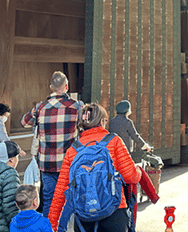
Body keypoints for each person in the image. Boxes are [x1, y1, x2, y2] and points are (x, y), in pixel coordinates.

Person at [48, 103, 142, 232]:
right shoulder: (114, 141)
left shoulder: (73, 150)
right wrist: (138, 172)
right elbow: (130, 176)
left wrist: (52, 224)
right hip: (114, 211)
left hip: (84, 215)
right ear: (102, 121)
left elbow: (60, 191)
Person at [21, 71, 83, 212]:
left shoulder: (40, 107)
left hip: (46, 163)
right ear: (66, 87)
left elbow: (24, 122)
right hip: (69, 163)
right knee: (69, 199)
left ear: (50, 87)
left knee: (49, 200)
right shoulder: (77, 106)